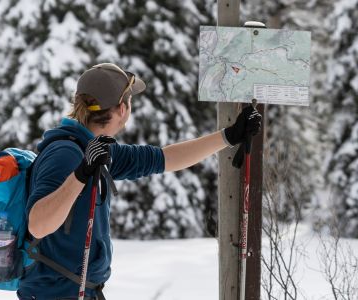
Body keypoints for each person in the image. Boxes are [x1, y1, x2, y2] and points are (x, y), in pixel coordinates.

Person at [17, 63, 261, 300]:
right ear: (122, 109)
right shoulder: (65, 154)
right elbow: (37, 224)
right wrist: (81, 173)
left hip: (78, 291)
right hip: (54, 293)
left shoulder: (97, 150)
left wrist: (229, 136)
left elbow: (166, 158)